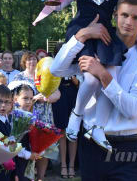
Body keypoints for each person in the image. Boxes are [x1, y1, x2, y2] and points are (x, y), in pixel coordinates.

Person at [46, 0, 137, 150]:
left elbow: (131, 15)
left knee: (109, 79)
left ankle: (98, 126)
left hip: (104, 37)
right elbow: (58, 7)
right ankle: (76, 115)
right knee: (92, 82)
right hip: (83, 32)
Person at [51, 0, 137, 181]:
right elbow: (57, 69)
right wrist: (82, 35)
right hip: (91, 148)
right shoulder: (95, 46)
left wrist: (103, 74)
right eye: (124, 15)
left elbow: (133, 110)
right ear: (115, 15)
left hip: (128, 149)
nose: (129, 22)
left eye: (136, 17)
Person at [12, 51, 60, 181]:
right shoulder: (18, 77)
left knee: (44, 148)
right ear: (24, 62)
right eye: (29, 60)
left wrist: (45, 97)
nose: (32, 62)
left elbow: (57, 94)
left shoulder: (44, 75)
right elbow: (14, 96)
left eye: (34, 59)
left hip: (44, 115)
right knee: (27, 146)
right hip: (25, 117)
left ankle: (41, 177)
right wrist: (31, 98)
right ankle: (28, 176)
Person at [51, 42, 79, 179]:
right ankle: (63, 165)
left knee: (73, 131)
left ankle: (72, 165)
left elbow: (83, 84)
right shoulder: (54, 65)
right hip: (60, 96)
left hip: (74, 95)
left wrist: (74, 79)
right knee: (62, 130)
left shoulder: (76, 63)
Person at [9, 83, 41, 181]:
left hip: (27, 157)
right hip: (16, 158)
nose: (28, 102)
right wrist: (27, 154)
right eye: (25, 98)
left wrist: (38, 149)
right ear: (15, 99)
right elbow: (12, 143)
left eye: (31, 99)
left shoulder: (31, 116)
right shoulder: (13, 117)